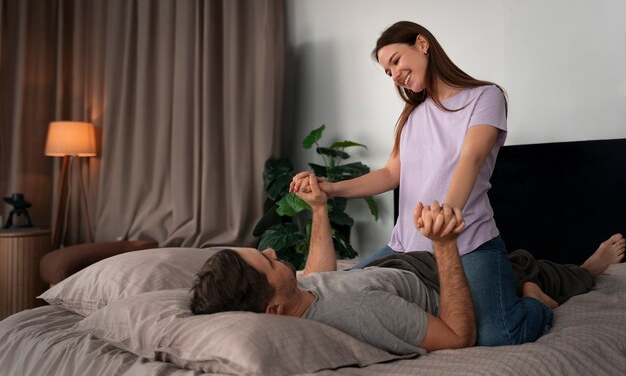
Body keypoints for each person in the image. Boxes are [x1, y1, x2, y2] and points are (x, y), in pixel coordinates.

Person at [289, 21, 625, 346]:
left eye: (396, 61)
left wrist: (447, 214)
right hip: (405, 248)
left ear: (422, 44)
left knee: (499, 335)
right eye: (388, 72)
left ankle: (541, 296)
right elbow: (391, 174)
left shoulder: (484, 97)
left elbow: (471, 159)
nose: (395, 75)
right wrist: (329, 189)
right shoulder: (411, 116)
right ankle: (518, 275)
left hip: (468, 244)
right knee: (331, 293)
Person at [191, 174, 478, 355]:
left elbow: (319, 277)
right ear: (274, 310)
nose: (271, 250)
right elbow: (457, 338)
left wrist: (318, 208)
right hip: (429, 273)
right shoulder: (362, 310)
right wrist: (444, 244)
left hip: (387, 267)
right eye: (267, 261)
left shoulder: (294, 303)